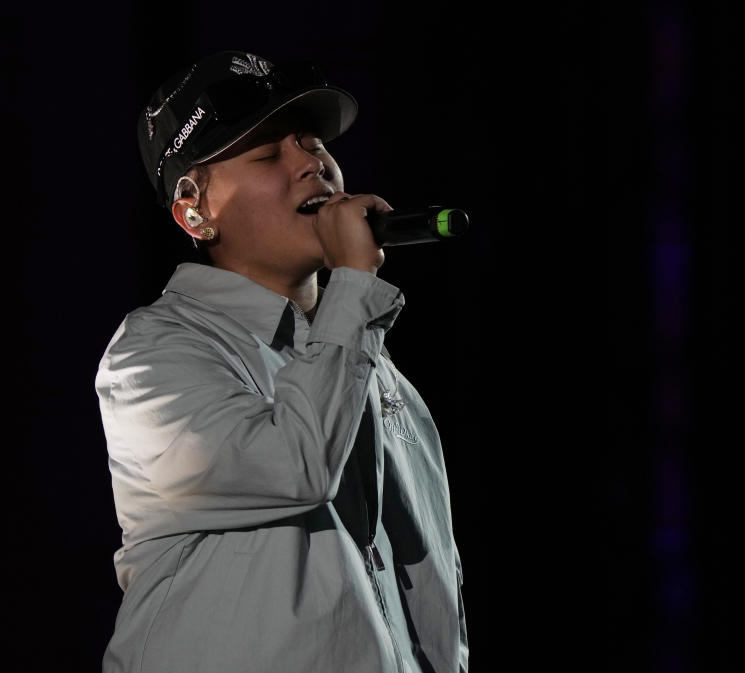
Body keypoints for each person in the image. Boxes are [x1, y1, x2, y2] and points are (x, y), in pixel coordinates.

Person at [96, 50, 468, 673]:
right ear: (195, 210)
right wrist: (354, 283)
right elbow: (293, 467)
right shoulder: (153, 354)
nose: (311, 164)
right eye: (269, 155)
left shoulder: (371, 364)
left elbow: (430, 582)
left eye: (313, 144)